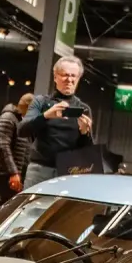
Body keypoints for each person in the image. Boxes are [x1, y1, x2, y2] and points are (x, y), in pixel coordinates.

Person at [19, 55, 93, 187]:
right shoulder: (41, 102)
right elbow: (22, 130)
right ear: (55, 77)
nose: (69, 79)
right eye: (65, 75)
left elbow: (87, 150)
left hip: (68, 172)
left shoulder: (84, 109)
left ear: (78, 78)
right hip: (39, 170)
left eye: (73, 76)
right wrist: (46, 116)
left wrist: (84, 133)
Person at [0, 92, 34, 202]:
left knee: (10, 204)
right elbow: (3, 147)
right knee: (9, 204)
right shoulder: (8, 118)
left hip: (15, 173)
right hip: (5, 174)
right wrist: (13, 173)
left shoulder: (21, 121)